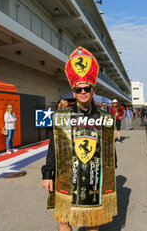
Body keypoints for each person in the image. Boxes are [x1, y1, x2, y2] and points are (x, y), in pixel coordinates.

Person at [41, 47, 117, 231]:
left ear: (93, 90)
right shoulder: (62, 116)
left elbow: (108, 147)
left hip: (93, 175)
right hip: (66, 175)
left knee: (92, 221)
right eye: (79, 89)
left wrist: (112, 168)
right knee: (64, 219)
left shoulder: (105, 117)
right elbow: (54, 147)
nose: (83, 92)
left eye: (87, 88)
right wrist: (47, 174)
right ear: (73, 92)